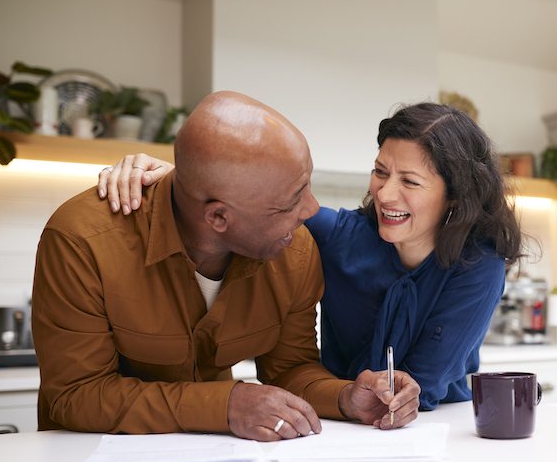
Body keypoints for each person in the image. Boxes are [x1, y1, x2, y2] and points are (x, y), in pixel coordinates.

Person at [33, 91, 420, 442]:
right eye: (290, 202)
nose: (311, 210)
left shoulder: (294, 250)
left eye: (306, 185)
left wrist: (346, 397)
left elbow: (290, 369)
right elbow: (76, 394)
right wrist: (226, 405)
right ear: (218, 217)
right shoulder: (82, 241)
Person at [100, 102, 525, 410]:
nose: (385, 193)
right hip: (340, 415)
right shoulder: (342, 237)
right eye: (380, 171)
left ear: (455, 197)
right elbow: (252, 204)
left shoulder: (478, 265)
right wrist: (175, 177)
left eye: (409, 181)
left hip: (432, 427)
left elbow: (422, 386)